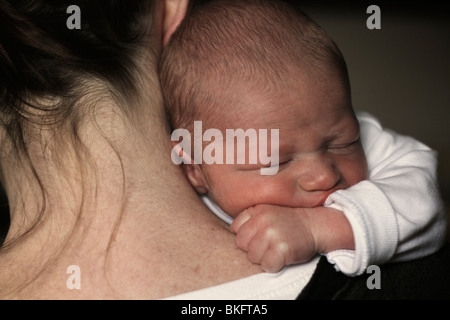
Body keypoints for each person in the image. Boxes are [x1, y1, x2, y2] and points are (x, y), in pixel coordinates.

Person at [160, 0, 447, 276]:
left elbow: (426, 208)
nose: (323, 176)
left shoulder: (370, 139)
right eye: (278, 160)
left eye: (343, 143)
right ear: (194, 167)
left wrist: (321, 228)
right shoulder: (173, 204)